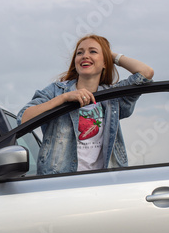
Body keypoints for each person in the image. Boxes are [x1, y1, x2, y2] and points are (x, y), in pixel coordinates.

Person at [17, 34, 154, 175]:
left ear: (105, 62)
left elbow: (146, 73)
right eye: (79, 53)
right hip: (60, 183)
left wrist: (110, 55)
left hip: (103, 184)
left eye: (93, 51)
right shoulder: (57, 91)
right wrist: (63, 98)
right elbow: (23, 119)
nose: (85, 56)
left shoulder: (112, 96)